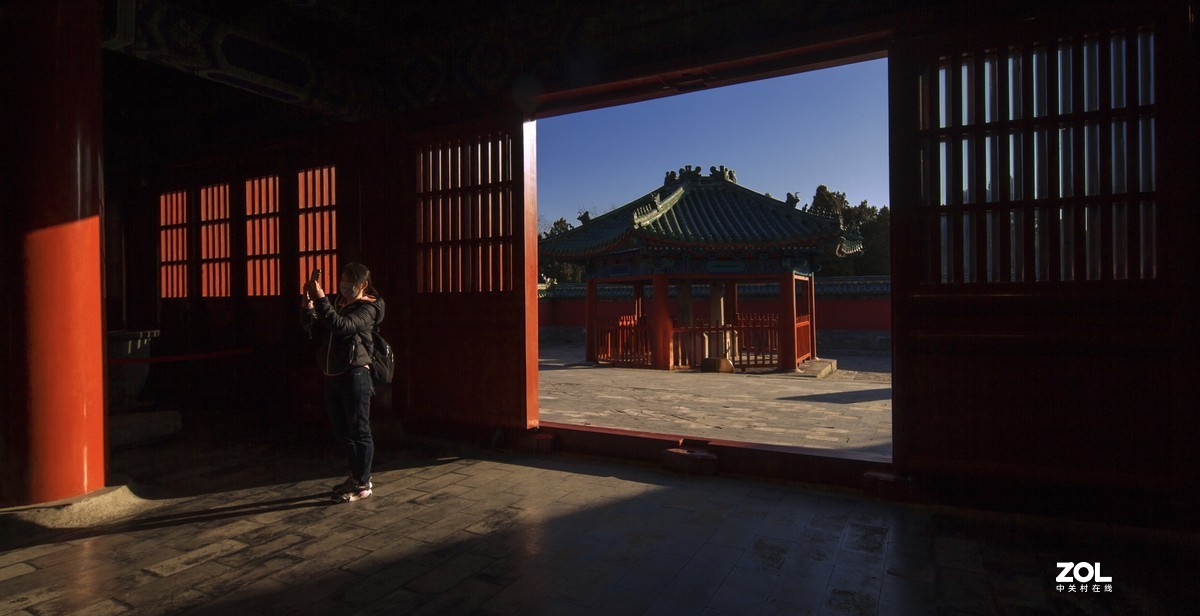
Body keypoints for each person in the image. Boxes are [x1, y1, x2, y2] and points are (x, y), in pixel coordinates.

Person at [302, 262, 385, 503]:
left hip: (355, 373)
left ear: (363, 284)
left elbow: (343, 327)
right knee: (342, 429)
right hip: (334, 373)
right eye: (343, 281)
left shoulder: (368, 308)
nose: (345, 286)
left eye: (351, 283)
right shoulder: (339, 304)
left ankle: (363, 483)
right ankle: (355, 475)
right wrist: (309, 305)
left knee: (359, 429)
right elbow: (315, 326)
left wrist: (321, 299)